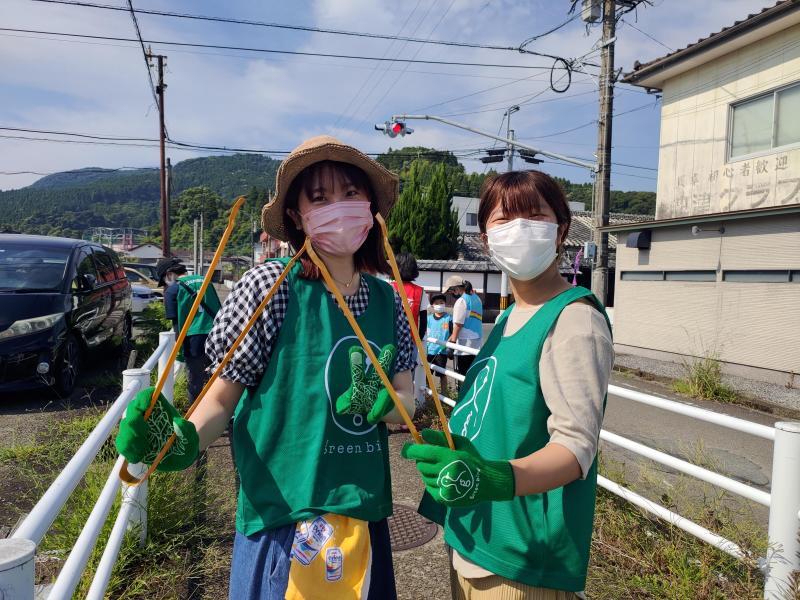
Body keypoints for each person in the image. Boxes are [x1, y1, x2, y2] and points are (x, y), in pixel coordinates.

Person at [117, 136, 417, 599]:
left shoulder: (388, 300)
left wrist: (389, 404)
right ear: (297, 217)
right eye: (319, 198)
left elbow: (407, 400)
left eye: (351, 194)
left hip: (363, 510)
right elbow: (220, 397)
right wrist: (181, 442)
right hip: (283, 515)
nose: (338, 206)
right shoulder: (270, 287)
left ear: (372, 207)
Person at [402, 170, 614, 599]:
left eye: (534, 216)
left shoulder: (574, 320)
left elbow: (576, 450)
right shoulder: (508, 319)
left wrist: (497, 479)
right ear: (485, 238)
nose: (519, 229)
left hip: (522, 560)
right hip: (475, 536)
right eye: (503, 220)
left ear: (561, 232)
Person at [155, 257, 221, 405]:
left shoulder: (173, 289)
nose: (165, 284)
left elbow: (176, 323)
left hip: (193, 338)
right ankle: (220, 412)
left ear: (169, 274)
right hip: (216, 334)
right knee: (216, 376)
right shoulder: (205, 281)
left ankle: (194, 415)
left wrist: (179, 349)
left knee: (195, 379)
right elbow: (219, 308)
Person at [445, 276, 483, 379]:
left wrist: (452, 344)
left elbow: (458, 325)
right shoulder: (476, 298)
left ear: (456, 289)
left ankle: (463, 395)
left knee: (463, 376)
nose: (451, 294)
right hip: (476, 343)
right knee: (473, 376)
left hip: (464, 346)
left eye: (450, 291)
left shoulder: (461, 301)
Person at [390, 252, 429, 338]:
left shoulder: (387, 287)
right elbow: (423, 321)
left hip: (389, 338)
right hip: (411, 340)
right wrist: (419, 339)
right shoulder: (420, 292)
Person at [425, 293, 452, 395]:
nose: (439, 305)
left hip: (442, 352)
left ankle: (444, 394)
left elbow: (453, 333)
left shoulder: (449, 318)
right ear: (433, 305)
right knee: (427, 374)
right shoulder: (429, 318)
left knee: (442, 374)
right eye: (436, 303)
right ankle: (427, 393)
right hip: (430, 350)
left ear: (445, 304)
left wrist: (448, 344)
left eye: (441, 302)